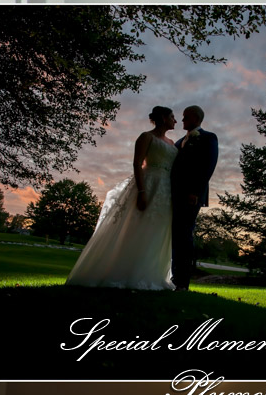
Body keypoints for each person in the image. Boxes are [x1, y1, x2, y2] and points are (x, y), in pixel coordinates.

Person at [63, 106, 176, 290]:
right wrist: (141, 191)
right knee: (137, 227)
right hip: (148, 184)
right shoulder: (146, 137)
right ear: (163, 118)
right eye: (172, 117)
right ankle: (125, 273)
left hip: (165, 189)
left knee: (157, 230)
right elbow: (137, 163)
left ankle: (152, 274)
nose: (175, 120)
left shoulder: (172, 143)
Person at [170, 106, 219, 291]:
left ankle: (182, 282)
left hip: (191, 196)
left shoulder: (208, 138)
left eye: (186, 117)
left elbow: (208, 166)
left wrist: (195, 192)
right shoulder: (178, 142)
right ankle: (174, 278)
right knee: (176, 236)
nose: (182, 120)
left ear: (196, 118)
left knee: (184, 235)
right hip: (174, 195)